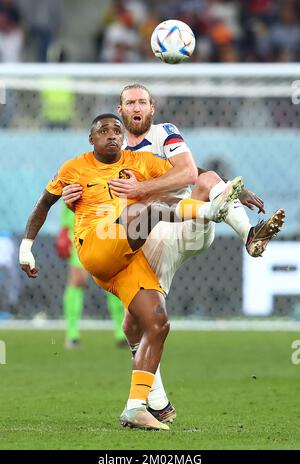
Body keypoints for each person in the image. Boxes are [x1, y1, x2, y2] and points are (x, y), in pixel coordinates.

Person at [62, 84, 285, 425]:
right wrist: (72, 196)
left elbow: (188, 173)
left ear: (152, 108)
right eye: (130, 102)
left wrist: (145, 190)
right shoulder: (113, 148)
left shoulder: (165, 134)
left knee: (208, 178)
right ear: (120, 110)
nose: (136, 107)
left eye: (142, 102)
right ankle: (156, 401)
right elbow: (89, 182)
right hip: (146, 240)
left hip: (179, 224)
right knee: (140, 322)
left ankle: (251, 236)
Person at [19, 114, 248, 431]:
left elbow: (188, 177)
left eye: (116, 130)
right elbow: (44, 203)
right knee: (144, 210)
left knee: (157, 323)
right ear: (91, 138)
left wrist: (225, 189)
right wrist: (26, 247)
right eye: (103, 130)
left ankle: (136, 406)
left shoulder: (140, 161)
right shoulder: (74, 167)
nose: (112, 135)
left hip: (127, 258)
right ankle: (211, 212)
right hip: (97, 245)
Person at [55, 204, 126, 348]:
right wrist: (64, 228)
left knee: (112, 278)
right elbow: (67, 192)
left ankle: (121, 332)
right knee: (78, 279)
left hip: (107, 229)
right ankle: (72, 334)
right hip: (81, 229)